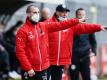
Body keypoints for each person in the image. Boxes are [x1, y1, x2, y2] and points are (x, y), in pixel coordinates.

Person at [16, 5, 86, 80]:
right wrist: (28, 68)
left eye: (38, 12)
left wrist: (76, 21)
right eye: (34, 12)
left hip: (42, 69)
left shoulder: (43, 26)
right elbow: (20, 52)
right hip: (30, 70)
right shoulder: (22, 31)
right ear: (28, 14)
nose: (37, 14)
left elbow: (61, 25)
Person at [46, 5, 107, 80]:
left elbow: (86, 28)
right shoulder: (48, 23)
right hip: (48, 60)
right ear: (57, 12)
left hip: (63, 61)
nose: (65, 14)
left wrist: (99, 27)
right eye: (62, 12)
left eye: (66, 12)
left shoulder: (70, 25)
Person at [69, 8, 97, 80]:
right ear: (76, 15)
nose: (81, 16)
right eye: (79, 14)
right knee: (74, 77)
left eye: (83, 14)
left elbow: (93, 42)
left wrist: (93, 52)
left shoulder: (89, 27)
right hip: (73, 58)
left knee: (87, 77)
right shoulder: (71, 27)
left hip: (85, 57)